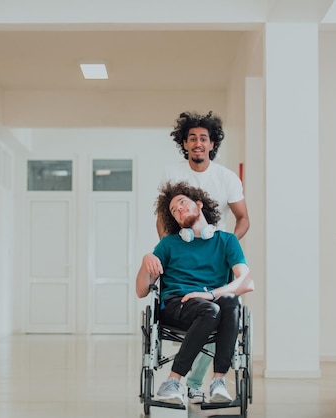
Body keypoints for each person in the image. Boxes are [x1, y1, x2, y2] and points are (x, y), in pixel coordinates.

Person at [157, 110, 250, 403]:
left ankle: (202, 381)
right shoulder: (172, 174)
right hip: (183, 251)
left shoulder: (226, 178)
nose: (198, 143)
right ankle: (186, 381)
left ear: (212, 144)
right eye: (192, 138)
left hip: (215, 256)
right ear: (184, 143)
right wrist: (176, 249)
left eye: (204, 139)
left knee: (224, 304)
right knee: (206, 311)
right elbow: (162, 218)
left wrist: (225, 246)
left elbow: (243, 218)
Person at [137, 181, 254, 405]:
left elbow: (247, 282)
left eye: (182, 203)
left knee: (229, 301)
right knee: (212, 309)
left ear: (199, 205)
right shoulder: (169, 245)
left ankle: (218, 380)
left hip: (212, 306)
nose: (179, 209)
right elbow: (141, 290)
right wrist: (146, 260)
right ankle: (173, 381)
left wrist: (210, 294)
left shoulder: (227, 241)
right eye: (173, 210)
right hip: (176, 306)